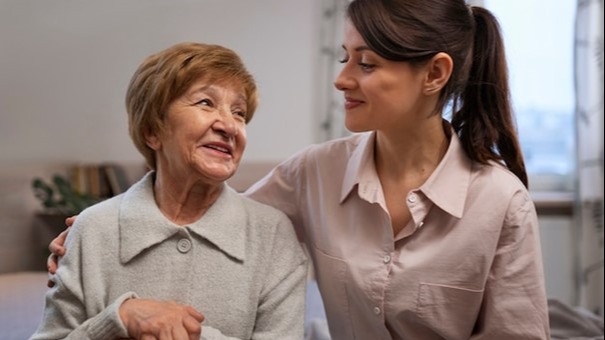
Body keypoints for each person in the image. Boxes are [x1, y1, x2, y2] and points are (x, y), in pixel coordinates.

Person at [48, 0, 551, 338]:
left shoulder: (501, 203)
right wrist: (90, 236)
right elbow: (217, 222)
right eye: (343, 57)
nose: (341, 79)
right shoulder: (314, 172)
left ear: (435, 74)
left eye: (366, 64)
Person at [32, 42, 308, 340]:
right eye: (205, 102)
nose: (230, 125)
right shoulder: (92, 229)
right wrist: (119, 318)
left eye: (239, 112)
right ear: (153, 131)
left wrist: (184, 333)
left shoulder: (273, 235)